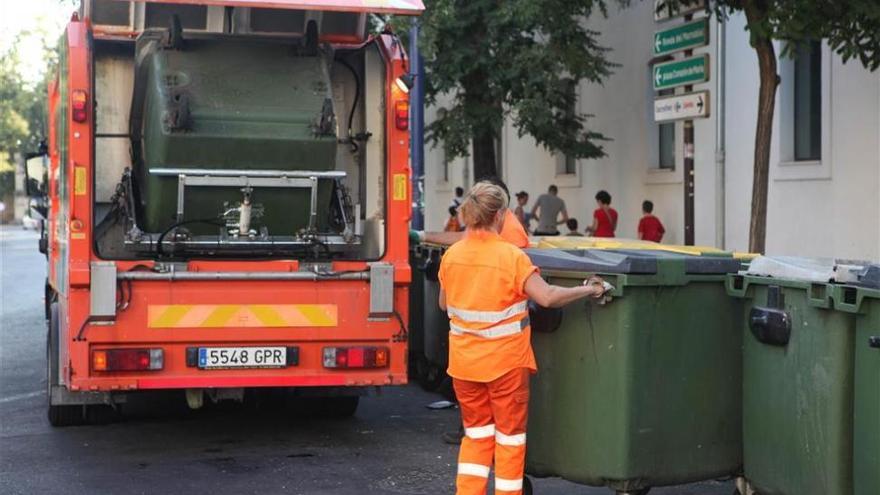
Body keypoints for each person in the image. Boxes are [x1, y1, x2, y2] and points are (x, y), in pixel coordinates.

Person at [439, 181, 608, 495]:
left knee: (476, 437)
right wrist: (591, 289)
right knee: (509, 440)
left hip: (463, 365)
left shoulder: (452, 255)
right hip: (505, 365)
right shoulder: (511, 256)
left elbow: (443, 303)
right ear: (500, 215)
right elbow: (547, 297)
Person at [413, 177, 530, 249]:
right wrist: (422, 236)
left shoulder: (511, 234)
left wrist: (422, 236)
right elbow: (463, 236)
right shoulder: (490, 228)